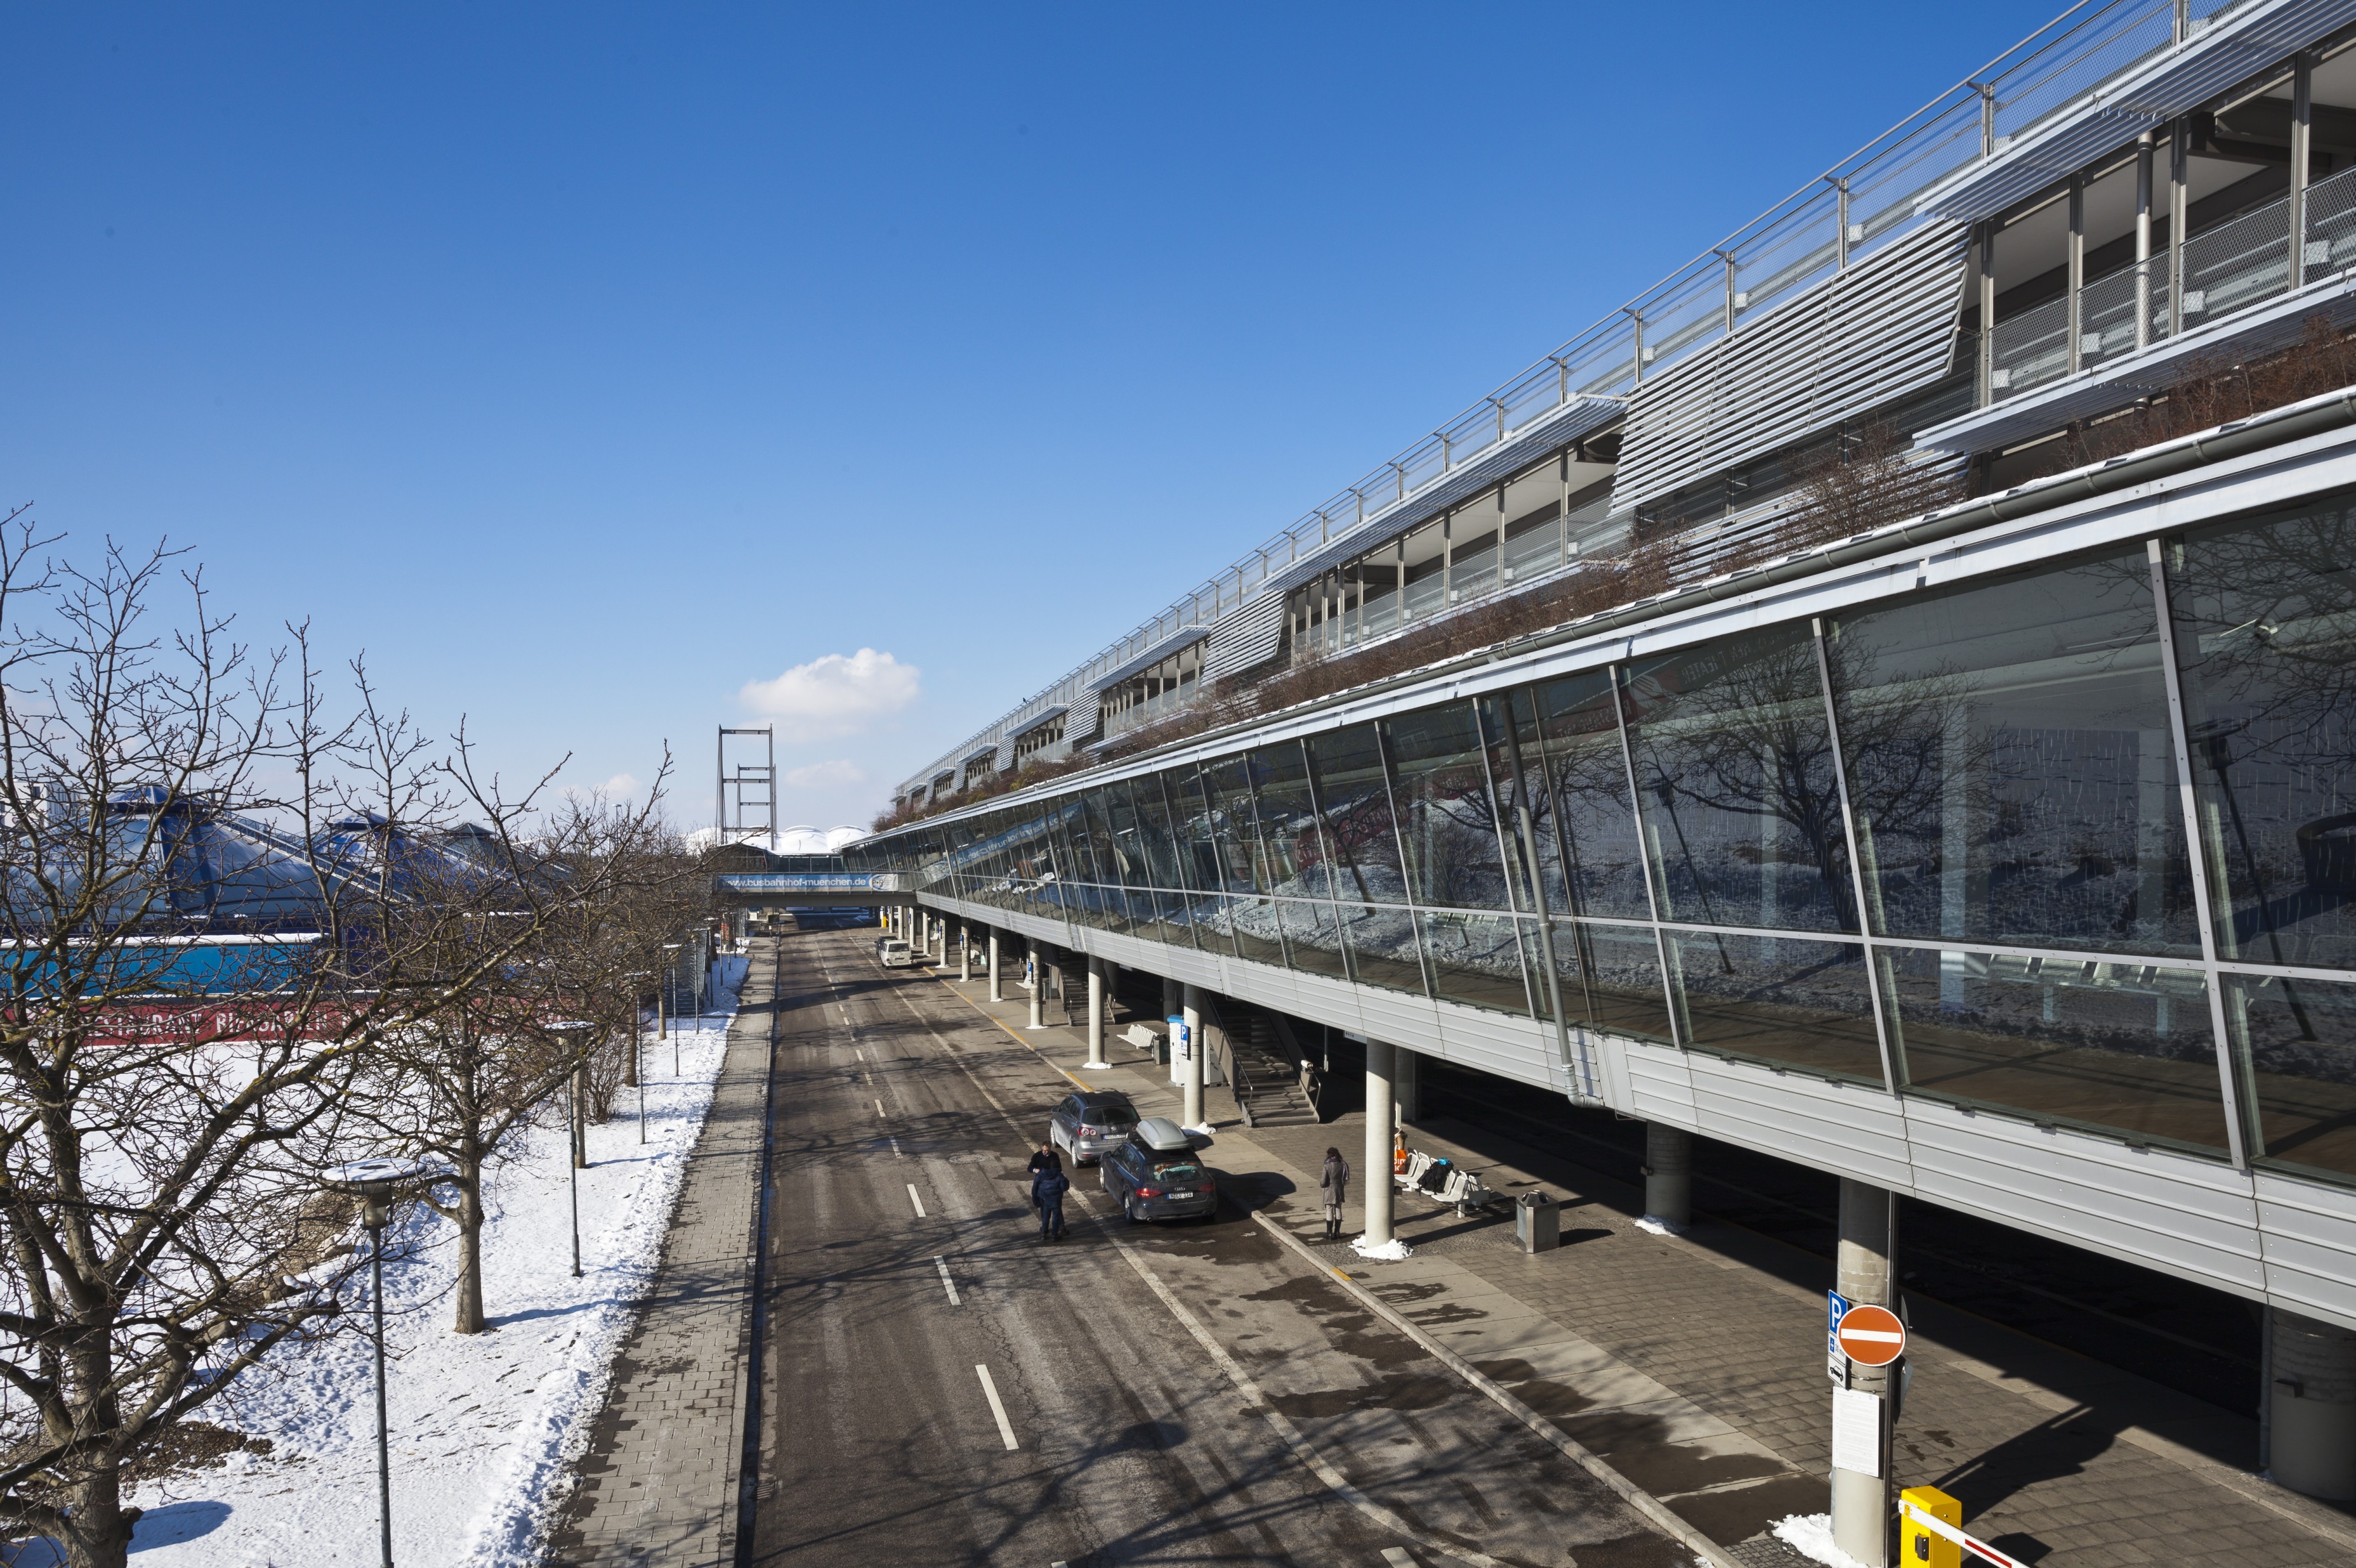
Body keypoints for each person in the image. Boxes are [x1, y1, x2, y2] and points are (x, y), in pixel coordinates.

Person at [1033, 1162, 1070, 1242]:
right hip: (1056, 1200)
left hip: (1044, 1199)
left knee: (1045, 1216)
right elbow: (1064, 1188)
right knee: (1056, 1217)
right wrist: (1067, 1180)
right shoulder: (1059, 1175)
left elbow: (1034, 1188)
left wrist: (1035, 1200)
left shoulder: (1040, 1175)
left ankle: (1043, 1232)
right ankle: (1055, 1235)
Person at [1320, 1146, 1350, 1242]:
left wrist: (1322, 1185)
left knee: (1329, 1210)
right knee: (1338, 1209)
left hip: (1329, 1190)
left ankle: (1329, 1233)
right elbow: (1345, 1178)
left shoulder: (1327, 1165)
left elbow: (1323, 1181)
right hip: (1339, 1189)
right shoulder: (1343, 1164)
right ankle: (1337, 1232)